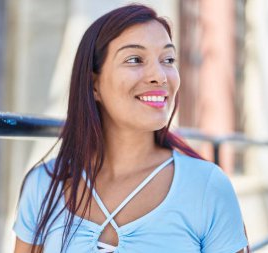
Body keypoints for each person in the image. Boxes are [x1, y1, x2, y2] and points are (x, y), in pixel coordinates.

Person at [13, 4, 249, 253]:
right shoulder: (44, 185)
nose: (160, 75)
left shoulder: (207, 187)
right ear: (94, 85)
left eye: (168, 59)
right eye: (135, 59)